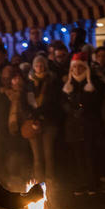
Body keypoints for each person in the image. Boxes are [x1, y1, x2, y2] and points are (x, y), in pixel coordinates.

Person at [62, 53, 103, 195]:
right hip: (73, 124)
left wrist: (84, 108)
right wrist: (70, 109)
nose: (77, 70)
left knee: (90, 154)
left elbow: (98, 101)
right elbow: (62, 102)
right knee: (78, 155)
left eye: (80, 67)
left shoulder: (93, 82)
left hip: (88, 124)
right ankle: (81, 183)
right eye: (75, 67)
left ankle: (92, 183)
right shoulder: (68, 84)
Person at [26, 55, 61, 184]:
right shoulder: (29, 83)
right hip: (33, 122)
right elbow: (27, 102)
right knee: (37, 156)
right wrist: (33, 117)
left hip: (48, 121)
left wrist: (42, 116)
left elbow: (54, 102)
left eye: (41, 65)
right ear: (33, 67)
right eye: (37, 65)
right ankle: (39, 181)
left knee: (48, 154)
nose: (39, 68)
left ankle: (50, 181)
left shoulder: (51, 81)